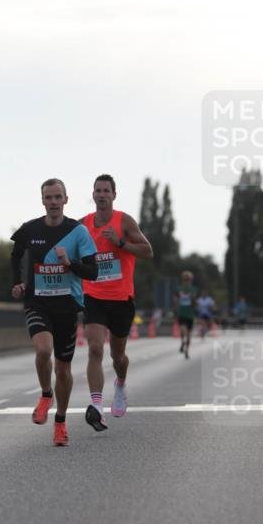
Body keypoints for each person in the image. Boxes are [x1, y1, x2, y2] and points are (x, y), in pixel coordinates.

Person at [10, 179, 98, 447]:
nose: (53, 202)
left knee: (63, 368)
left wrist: (69, 264)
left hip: (67, 306)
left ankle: (60, 421)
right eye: (49, 197)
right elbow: (16, 254)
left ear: (66, 200)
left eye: (58, 197)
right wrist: (17, 282)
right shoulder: (30, 229)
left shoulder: (78, 231)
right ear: (42, 201)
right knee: (43, 351)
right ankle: (46, 394)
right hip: (38, 302)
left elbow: (92, 272)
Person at [81, 174, 153, 430]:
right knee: (95, 350)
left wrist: (120, 242)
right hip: (93, 296)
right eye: (97, 190)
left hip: (121, 298)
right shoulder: (84, 225)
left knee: (118, 356)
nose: (101, 195)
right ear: (93, 195)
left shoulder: (124, 221)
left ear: (114, 195)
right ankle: (97, 406)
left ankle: (120, 384)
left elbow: (147, 251)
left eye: (106, 191)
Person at [174, 271, 197, 358]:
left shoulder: (193, 289)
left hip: (189, 313)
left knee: (186, 333)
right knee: (186, 332)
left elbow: (194, 302)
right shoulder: (179, 288)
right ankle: (185, 346)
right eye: (185, 279)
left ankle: (185, 347)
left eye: (187, 279)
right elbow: (176, 299)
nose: (187, 280)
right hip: (183, 313)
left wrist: (193, 301)